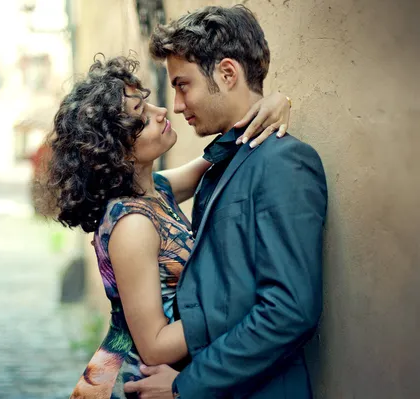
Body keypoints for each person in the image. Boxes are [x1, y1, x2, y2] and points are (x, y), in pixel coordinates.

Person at [36, 53, 292, 399]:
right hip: (138, 381)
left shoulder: (156, 190)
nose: (161, 113)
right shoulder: (133, 224)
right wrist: (237, 308)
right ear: (116, 149)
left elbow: (217, 156)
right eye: (141, 116)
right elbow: (154, 346)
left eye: (147, 103)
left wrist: (274, 103)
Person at [123, 5, 328, 399]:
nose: (177, 106)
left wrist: (188, 385)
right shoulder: (221, 160)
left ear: (228, 73)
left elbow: (289, 311)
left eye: (183, 85)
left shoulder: (284, 163)